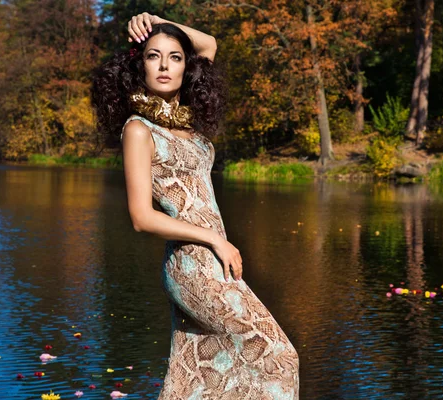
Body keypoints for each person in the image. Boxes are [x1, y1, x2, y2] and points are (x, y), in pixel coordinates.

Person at [91, 13, 299, 399]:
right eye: (154, 56)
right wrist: (214, 239)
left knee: (201, 374)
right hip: (191, 263)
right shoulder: (139, 130)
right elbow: (141, 217)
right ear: (141, 65)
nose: (165, 66)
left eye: (175, 57)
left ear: (187, 67)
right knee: (279, 355)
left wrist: (156, 20)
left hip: (214, 259)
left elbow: (209, 45)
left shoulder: (185, 123)